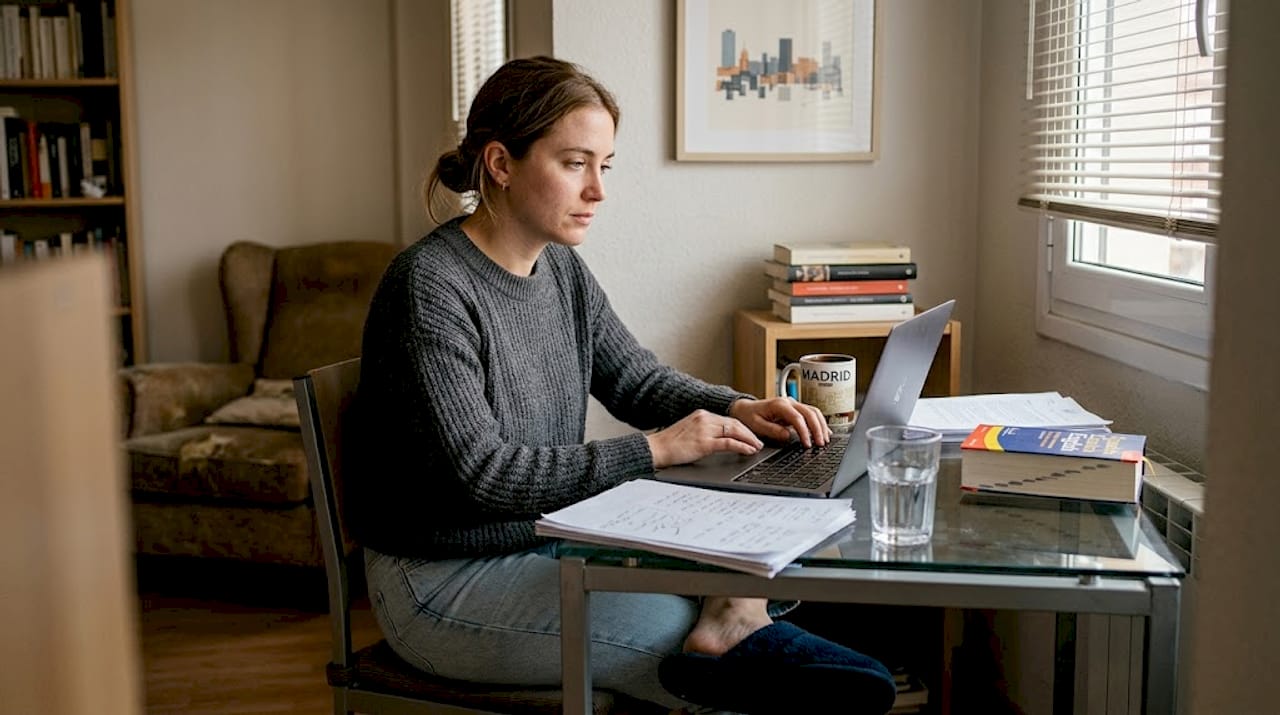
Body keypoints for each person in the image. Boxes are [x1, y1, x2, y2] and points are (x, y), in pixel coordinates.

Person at [351, 56, 895, 713]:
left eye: (604, 166)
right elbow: (482, 472)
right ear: (500, 163)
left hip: (544, 543)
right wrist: (657, 449)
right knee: (677, 635)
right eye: (575, 163)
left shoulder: (562, 273)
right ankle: (738, 656)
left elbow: (637, 379)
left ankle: (739, 631)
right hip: (439, 582)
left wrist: (739, 407)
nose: (598, 190)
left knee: (743, 565)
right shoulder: (429, 286)